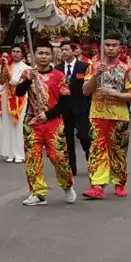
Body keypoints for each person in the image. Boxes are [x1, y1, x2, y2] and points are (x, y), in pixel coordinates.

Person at [15, 43, 75, 206]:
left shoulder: (58, 76)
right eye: (40, 53)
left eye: (46, 54)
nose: (43, 56)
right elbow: (18, 92)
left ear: (52, 56)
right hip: (31, 123)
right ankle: (38, 192)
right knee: (32, 159)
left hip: (54, 123)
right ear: (34, 55)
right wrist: (28, 80)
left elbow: (66, 102)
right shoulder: (28, 74)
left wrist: (48, 114)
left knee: (59, 157)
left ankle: (67, 184)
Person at [82, 36, 131, 199]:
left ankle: (120, 182)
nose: (111, 48)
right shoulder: (93, 67)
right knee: (97, 149)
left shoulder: (127, 69)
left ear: (120, 48)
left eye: (114, 45)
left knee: (118, 150)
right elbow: (86, 90)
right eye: (107, 45)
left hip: (119, 115)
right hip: (97, 114)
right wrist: (95, 75)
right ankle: (97, 185)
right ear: (102, 47)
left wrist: (114, 93)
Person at [59, 42, 91, 174]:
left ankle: (92, 163)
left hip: (81, 108)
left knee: (84, 137)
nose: (64, 52)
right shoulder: (58, 68)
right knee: (68, 139)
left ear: (74, 51)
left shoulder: (84, 67)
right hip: (64, 109)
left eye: (67, 50)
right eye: (62, 50)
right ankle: (71, 168)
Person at [0, 45, 28, 163]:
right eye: (13, 51)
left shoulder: (26, 68)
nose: (15, 54)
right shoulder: (8, 66)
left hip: (20, 99)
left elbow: (16, 82)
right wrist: (3, 71)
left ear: (23, 54)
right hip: (7, 97)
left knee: (19, 125)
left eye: (18, 51)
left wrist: (7, 71)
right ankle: (9, 153)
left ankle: (20, 153)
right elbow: (0, 81)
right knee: (7, 123)